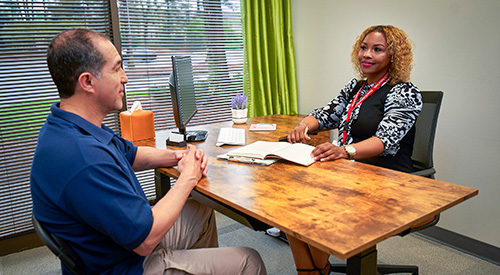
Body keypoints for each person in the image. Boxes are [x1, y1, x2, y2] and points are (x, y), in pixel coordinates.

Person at [30, 28, 266, 275]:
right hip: (127, 265)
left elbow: (131, 154)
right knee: (248, 260)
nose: (125, 78)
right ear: (87, 81)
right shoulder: (84, 158)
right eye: (116, 68)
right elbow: (145, 241)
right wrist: (187, 178)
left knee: (200, 209)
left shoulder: (71, 125)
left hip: (118, 243)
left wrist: (181, 157)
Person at [286, 25, 423, 274]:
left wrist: (344, 151)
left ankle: (315, 271)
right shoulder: (356, 88)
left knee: (317, 209)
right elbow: (326, 114)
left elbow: (385, 140)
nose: (366, 55)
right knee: (290, 205)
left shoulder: (404, 92)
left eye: (377, 49)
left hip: (387, 178)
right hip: (349, 173)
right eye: (363, 47)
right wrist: (303, 126)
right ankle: (314, 271)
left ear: (394, 56)